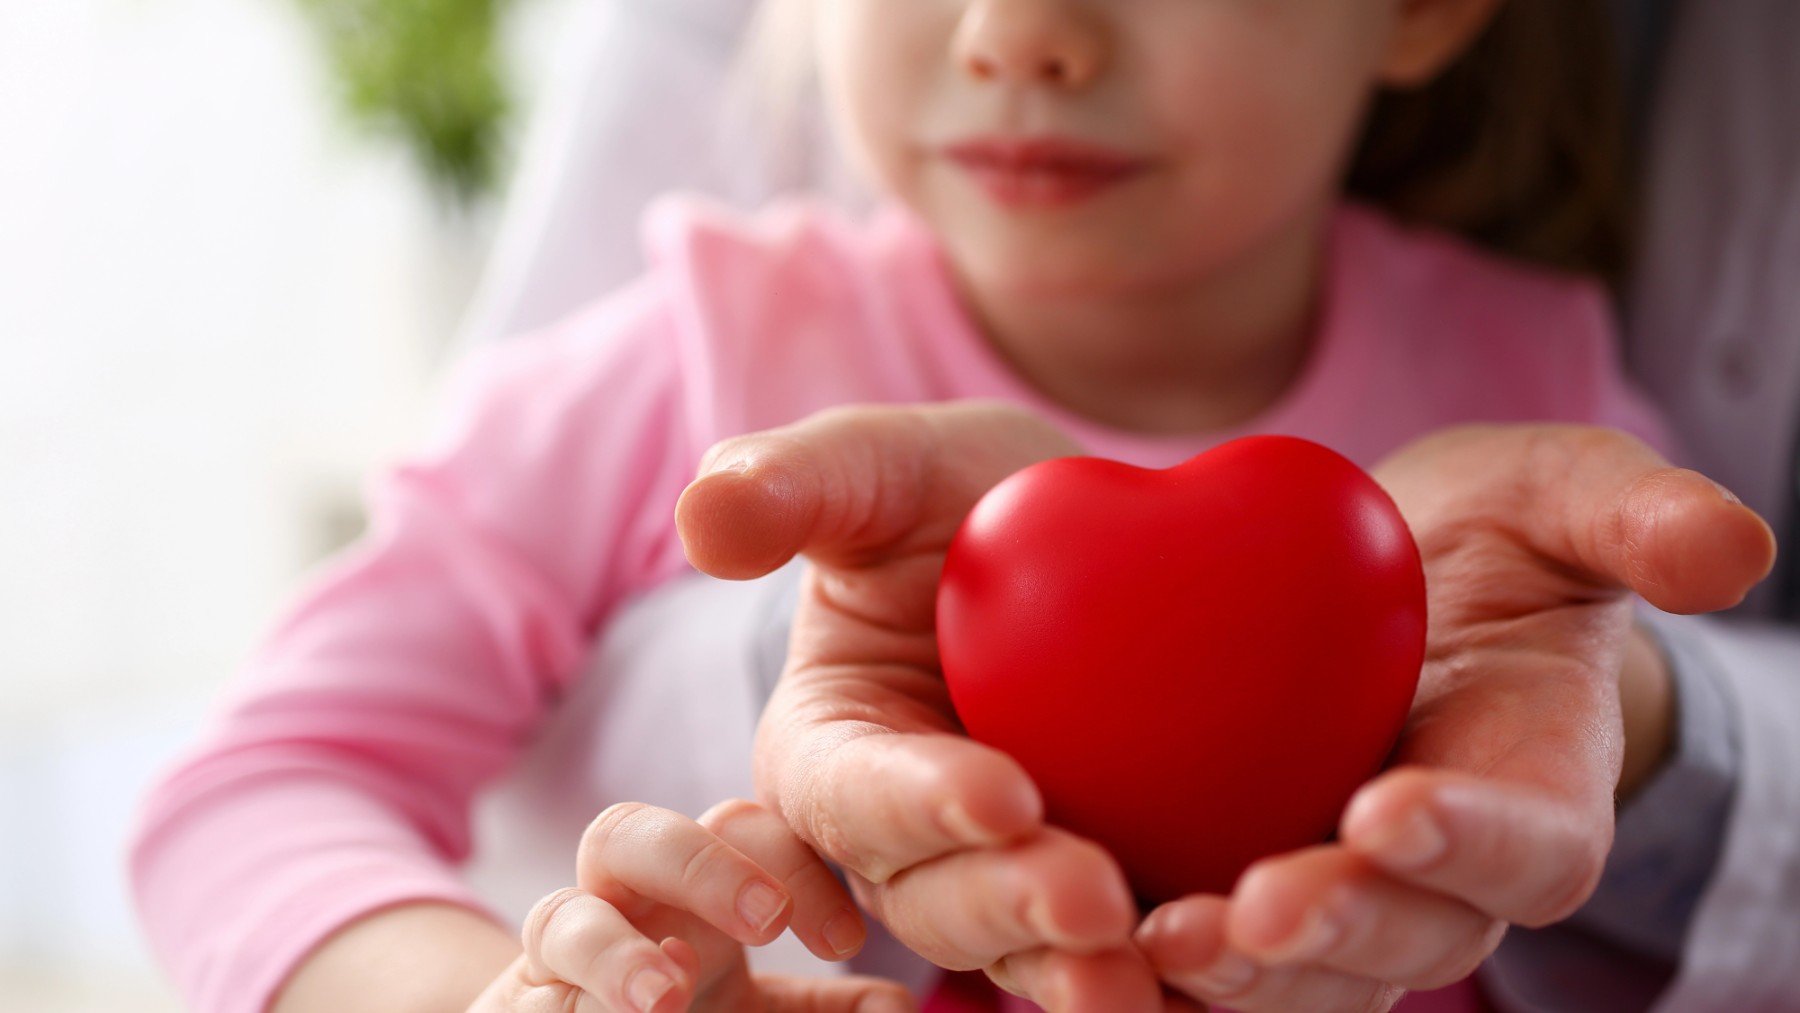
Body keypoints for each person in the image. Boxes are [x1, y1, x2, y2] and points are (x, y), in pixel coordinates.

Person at [125, 2, 1790, 1013]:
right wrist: (490, 992)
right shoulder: (673, 363)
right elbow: (257, 781)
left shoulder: (1538, 373)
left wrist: (1653, 732)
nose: (1019, 29)